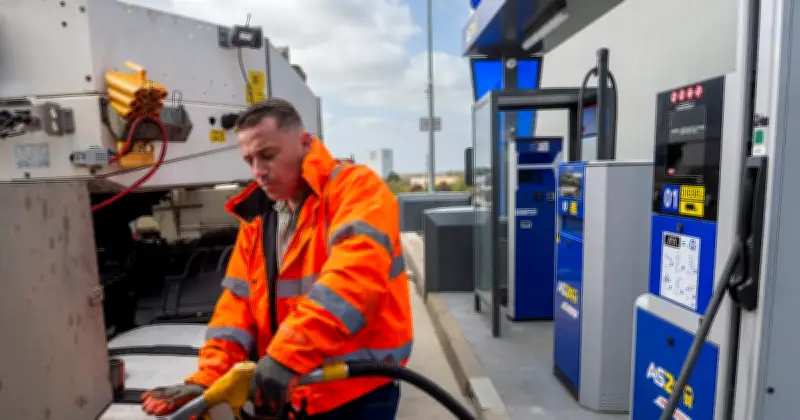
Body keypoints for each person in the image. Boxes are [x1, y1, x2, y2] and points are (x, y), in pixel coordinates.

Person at [140, 98, 414, 419]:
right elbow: (236, 307)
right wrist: (209, 377)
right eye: (249, 160)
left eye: (267, 155)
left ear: (303, 142)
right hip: (295, 391)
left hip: (356, 392)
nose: (258, 171)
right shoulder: (258, 218)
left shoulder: (356, 190)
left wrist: (285, 358)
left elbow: (352, 283)